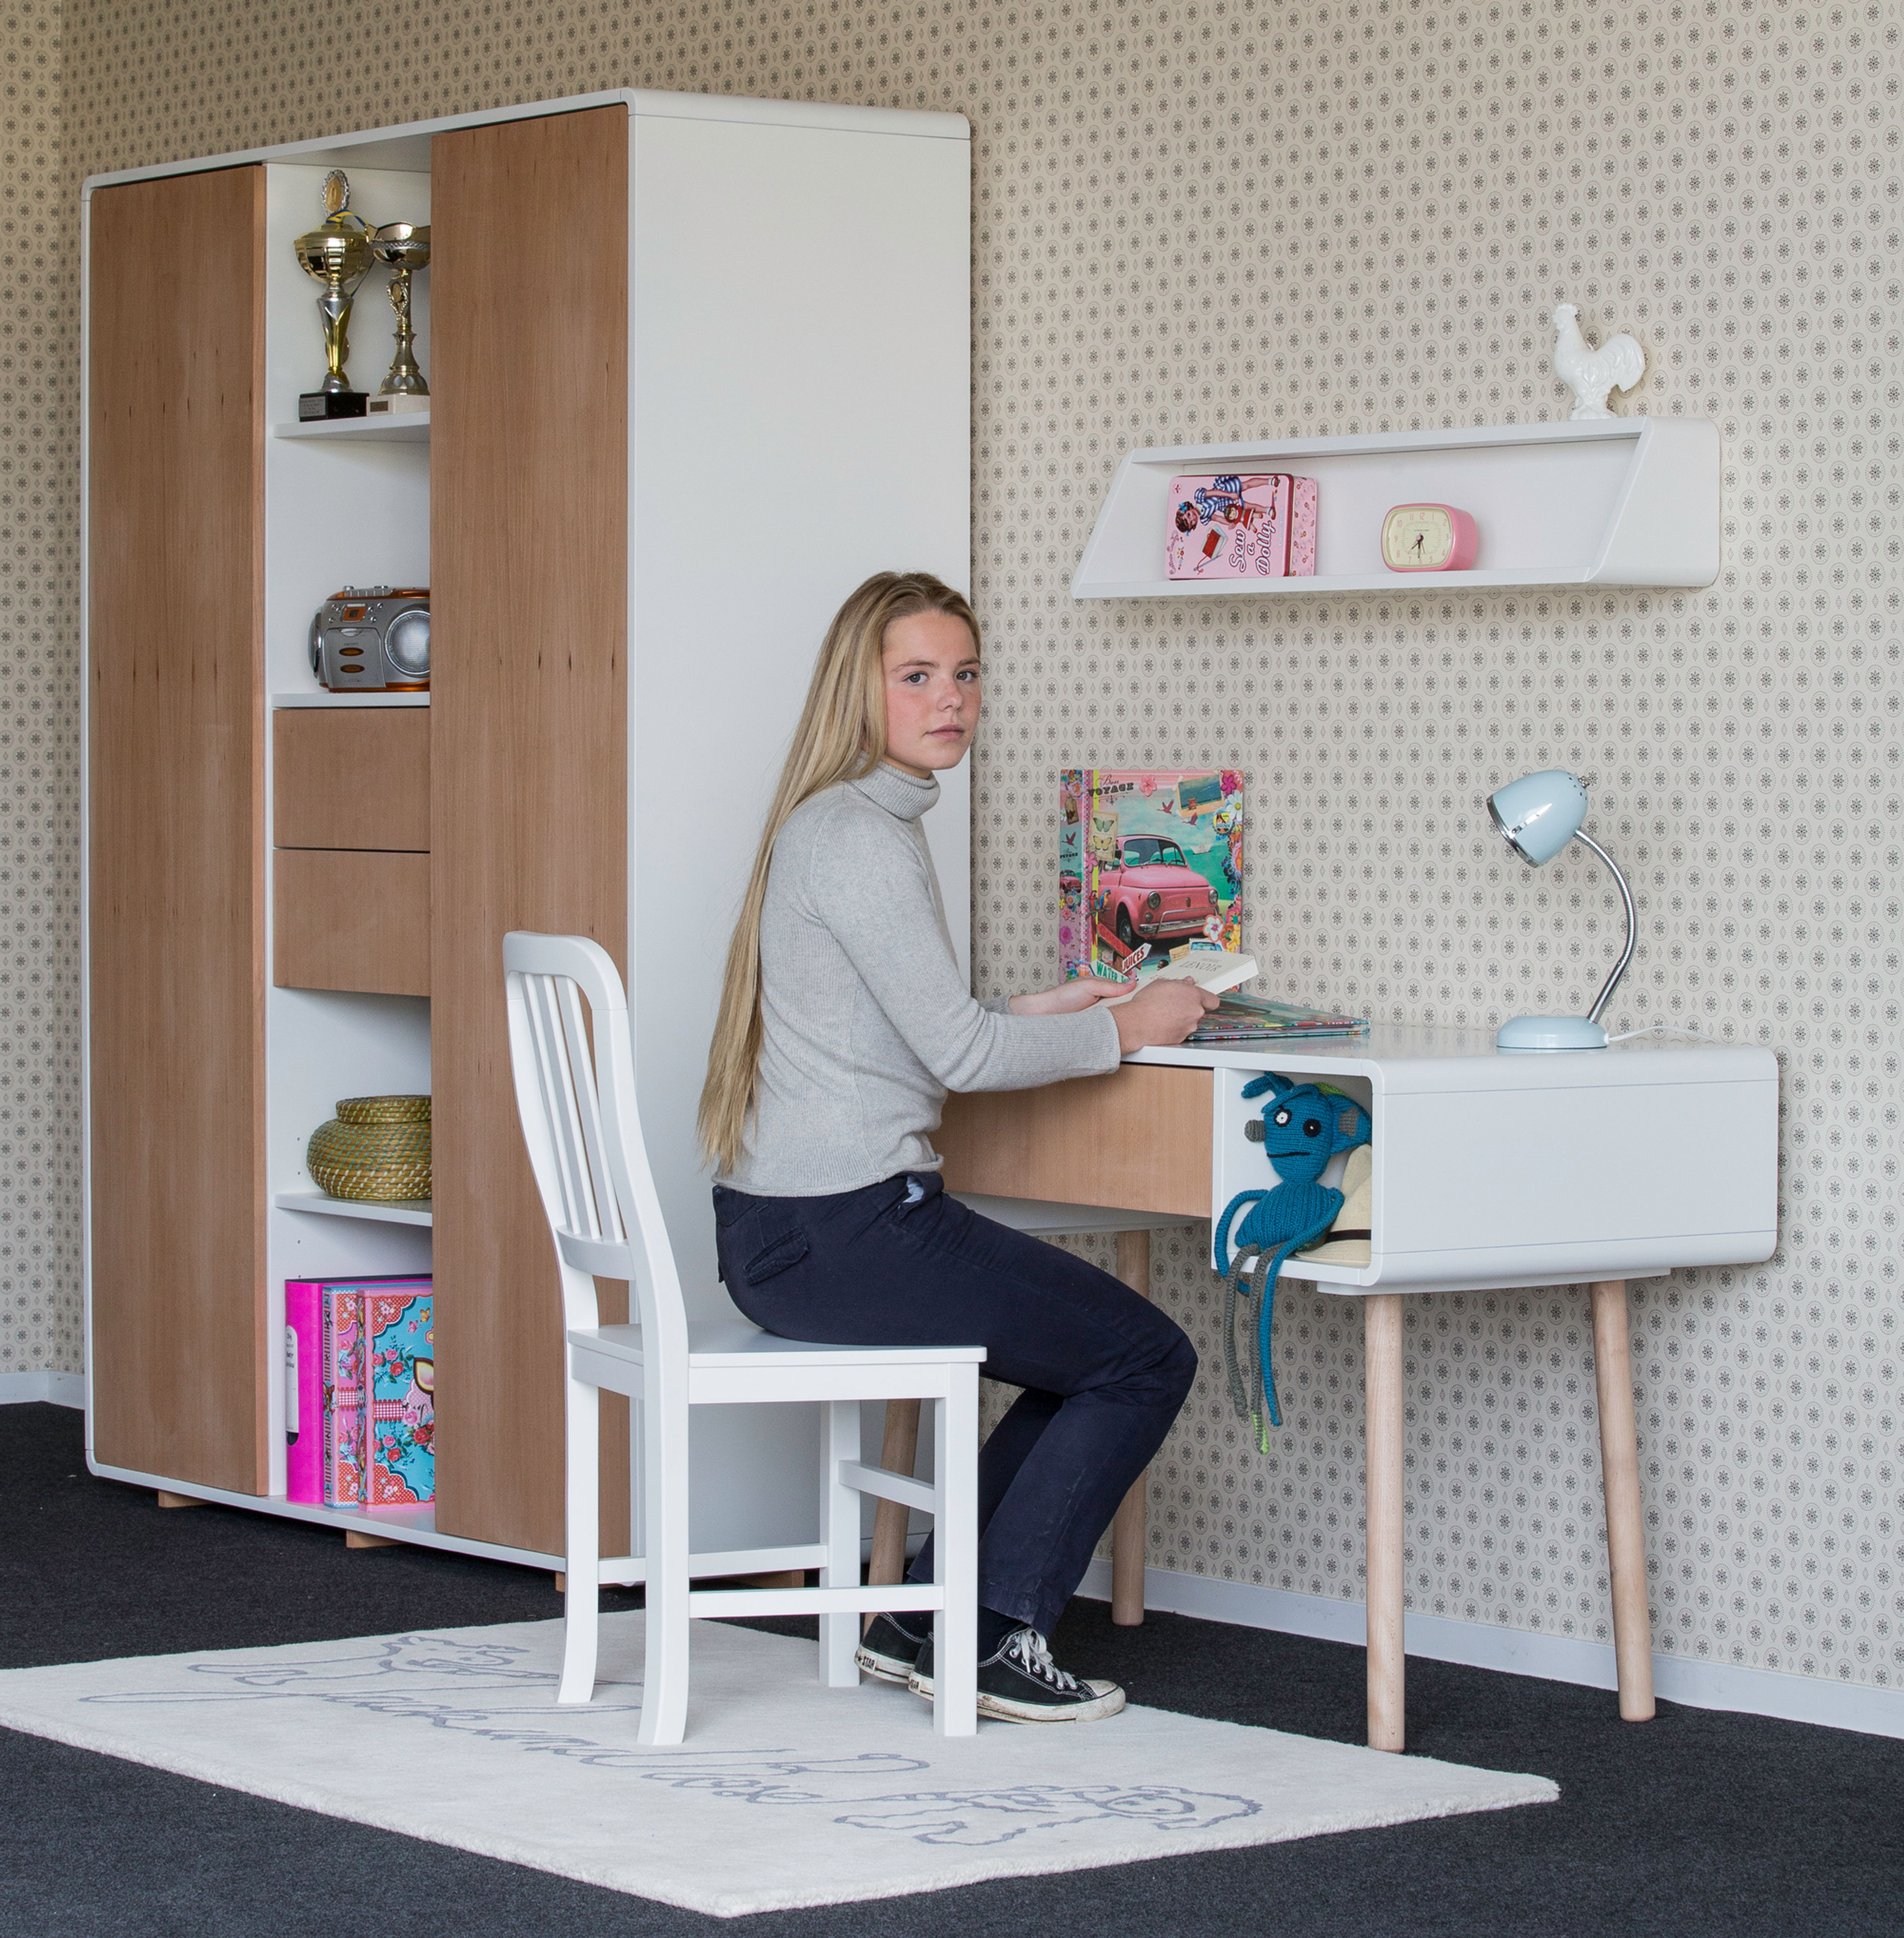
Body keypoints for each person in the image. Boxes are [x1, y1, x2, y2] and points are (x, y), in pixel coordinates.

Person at [699, 571, 1216, 1723]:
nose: (951, 700)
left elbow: (908, 1035)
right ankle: (987, 1637)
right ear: (860, 689)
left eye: (966, 674)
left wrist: (1034, 1011)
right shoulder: (862, 838)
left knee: (1093, 1353)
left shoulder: (842, 821)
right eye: (918, 676)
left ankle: (924, 1614)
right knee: (1145, 1356)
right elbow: (965, 1060)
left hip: (789, 1233)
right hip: (846, 1229)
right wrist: (1131, 1026)